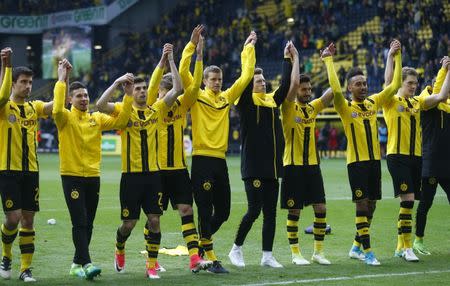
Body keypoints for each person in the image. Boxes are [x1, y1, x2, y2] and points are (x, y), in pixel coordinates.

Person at [96, 43, 189, 279]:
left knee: (155, 220)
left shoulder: (156, 110)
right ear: (132, 91)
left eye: (144, 88)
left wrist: (170, 62)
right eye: (137, 88)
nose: (141, 91)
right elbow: (99, 105)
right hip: (131, 177)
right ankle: (119, 247)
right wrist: (117, 84)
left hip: (153, 176)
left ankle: (151, 265)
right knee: (129, 223)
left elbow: (177, 88)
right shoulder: (122, 109)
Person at [179, 27, 256, 273]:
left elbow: (246, 77)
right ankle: (210, 256)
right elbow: (183, 71)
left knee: (223, 211)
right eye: (213, 79)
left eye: (219, 80)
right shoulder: (196, 96)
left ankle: (200, 245)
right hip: (201, 160)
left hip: (220, 161)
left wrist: (248, 49)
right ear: (204, 80)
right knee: (204, 208)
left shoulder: (225, 98)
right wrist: (193, 48)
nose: (217, 83)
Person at [52, 59, 133, 280]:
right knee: (79, 221)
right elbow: (57, 107)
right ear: (70, 99)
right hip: (72, 177)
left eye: (86, 95)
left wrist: (126, 94)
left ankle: (76, 264)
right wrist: (61, 79)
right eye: (79, 96)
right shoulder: (64, 118)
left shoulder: (96, 119)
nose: (84, 99)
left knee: (88, 223)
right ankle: (87, 263)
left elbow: (123, 121)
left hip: (93, 177)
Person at [323, 40, 402, 266]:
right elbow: (335, 89)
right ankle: (368, 252)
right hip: (356, 163)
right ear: (350, 88)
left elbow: (395, 85)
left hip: (374, 163)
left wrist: (395, 56)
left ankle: (356, 246)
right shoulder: (345, 108)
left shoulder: (373, 103)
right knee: (362, 205)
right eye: (358, 84)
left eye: (365, 83)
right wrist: (328, 60)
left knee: (372, 206)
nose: (363, 87)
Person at [145, 36, 213, 273]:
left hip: (179, 170)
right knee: (154, 217)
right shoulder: (154, 108)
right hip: (157, 170)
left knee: (186, 211)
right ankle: (151, 261)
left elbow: (190, 87)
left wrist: (196, 56)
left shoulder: (182, 106)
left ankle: (194, 258)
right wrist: (163, 61)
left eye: (169, 92)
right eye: (164, 92)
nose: (168, 96)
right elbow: (153, 87)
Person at [228, 41, 293, 268]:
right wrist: (249, 50)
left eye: (264, 80)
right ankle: (236, 249)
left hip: (273, 167)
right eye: (259, 81)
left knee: (271, 214)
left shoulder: (271, 101)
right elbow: (245, 80)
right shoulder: (245, 102)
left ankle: (267, 255)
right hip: (253, 167)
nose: (263, 83)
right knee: (254, 210)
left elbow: (284, 86)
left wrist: (287, 59)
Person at [383, 52, 450, 262]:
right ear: (400, 83)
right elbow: (387, 82)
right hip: (397, 156)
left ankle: (400, 246)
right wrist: (391, 58)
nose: (413, 86)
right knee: (409, 202)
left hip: (416, 159)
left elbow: (441, 96)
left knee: (408, 203)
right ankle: (407, 247)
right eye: (410, 83)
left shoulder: (418, 103)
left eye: (415, 83)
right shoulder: (392, 101)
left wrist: (448, 71)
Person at [0, 47, 54, 282]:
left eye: (30, 82)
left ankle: (25, 268)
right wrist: (7, 66)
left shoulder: (34, 107)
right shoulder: (4, 108)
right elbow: (1, 96)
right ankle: (6, 256)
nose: (28, 86)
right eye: (23, 82)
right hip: (8, 170)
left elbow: (56, 106)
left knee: (28, 220)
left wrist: (63, 79)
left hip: (31, 171)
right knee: (13, 218)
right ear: (13, 84)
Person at [281, 44, 334, 266]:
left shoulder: (312, 108)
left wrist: (329, 62)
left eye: (310, 89)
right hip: (292, 166)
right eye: (305, 89)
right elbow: (291, 86)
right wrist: (295, 59)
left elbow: (333, 92)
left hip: (312, 166)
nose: (308, 92)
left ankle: (318, 252)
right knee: (294, 210)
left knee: (320, 208)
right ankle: (295, 253)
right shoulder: (287, 107)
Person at [413, 57, 450, 255]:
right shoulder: (425, 102)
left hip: (448, 162)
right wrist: (445, 69)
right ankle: (418, 239)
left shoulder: (447, 105)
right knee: (426, 202)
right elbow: (438, 94)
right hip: (431, 161)